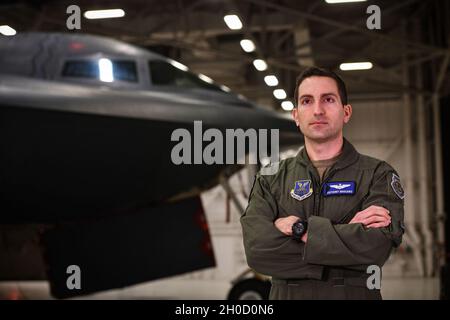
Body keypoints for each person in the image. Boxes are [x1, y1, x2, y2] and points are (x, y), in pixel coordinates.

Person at [240, 67, 405, 300]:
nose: (318, 110)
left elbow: (375, 248)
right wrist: (344, 242)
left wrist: (301, 229)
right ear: (296, 115)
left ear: (346, 112)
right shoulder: (270, 178)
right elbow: (257, 251)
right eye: (307, 101)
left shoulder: (377, 174)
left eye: (328, 99)